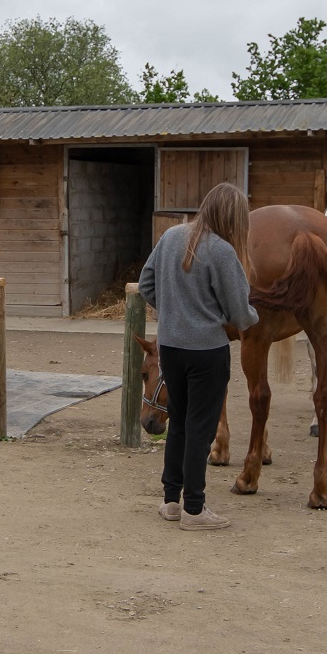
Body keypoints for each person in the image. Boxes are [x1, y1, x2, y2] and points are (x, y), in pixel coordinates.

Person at [137, 182, 260, 531]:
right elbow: (239, 312)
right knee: (200, 429)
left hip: (171, 349)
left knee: (179, 423)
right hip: (207, 352)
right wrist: (255, 317)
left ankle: (172, 501)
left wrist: (174, 313)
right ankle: (195, 509)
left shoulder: (170, 237)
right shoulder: (222, 252)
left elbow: (146, 284)